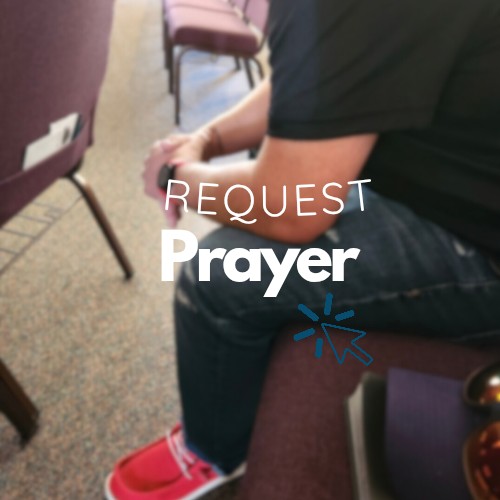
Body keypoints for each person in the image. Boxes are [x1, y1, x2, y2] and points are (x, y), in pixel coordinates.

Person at [104, 0, 500, 498]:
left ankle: (216, 452)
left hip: (478, 240)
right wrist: (208, 138)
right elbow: (322, 73)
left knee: (219, 274)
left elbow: (289, 207)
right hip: (440, 177)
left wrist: (175, 178)